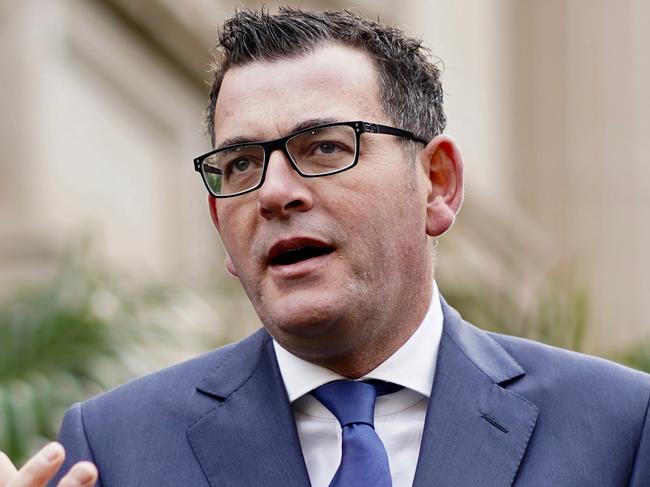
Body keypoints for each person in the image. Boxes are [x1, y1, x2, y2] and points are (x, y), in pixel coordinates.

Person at [2, 7, 649, 487]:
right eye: (241, 164)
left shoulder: (617, 426)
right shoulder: (113, 449)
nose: (274, 193)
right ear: (218, 220)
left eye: (324, 147)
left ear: (438, 183)